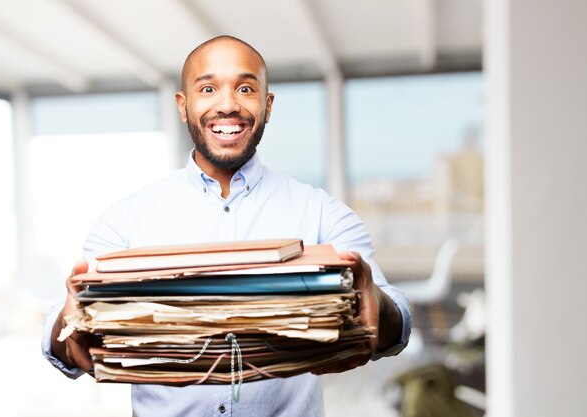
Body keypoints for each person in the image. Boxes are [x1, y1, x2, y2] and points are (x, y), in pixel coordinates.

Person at [42, 35, 412, 417]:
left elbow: (394, 322)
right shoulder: (125, 221)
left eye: (246, 88)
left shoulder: (323, 214)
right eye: (208, 88)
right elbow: (59, 344)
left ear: (267, 106)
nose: (228, 104)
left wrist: (376, 301)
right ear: (183, 107)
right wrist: (70, 320)